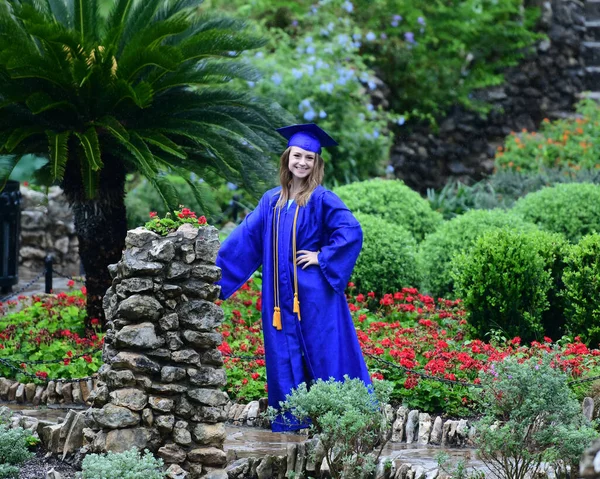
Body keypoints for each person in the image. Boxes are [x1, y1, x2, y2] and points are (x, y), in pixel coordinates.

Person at [216, 123, 371, 432]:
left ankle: (339, 421)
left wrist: (322, 256)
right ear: (287, 158)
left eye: (310, 158)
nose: (302, 163)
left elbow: (351, 232)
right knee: (283, 354)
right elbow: (244, 239)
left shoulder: (322, 199)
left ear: (317, 164)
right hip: (277, 299)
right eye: (298, 156)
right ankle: (290, 422)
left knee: (324, 351)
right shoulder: (270, 201)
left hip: (314, 295)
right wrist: (212, 276)